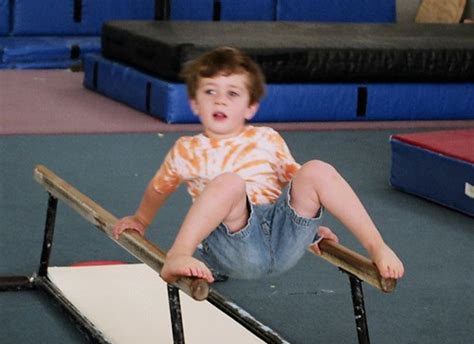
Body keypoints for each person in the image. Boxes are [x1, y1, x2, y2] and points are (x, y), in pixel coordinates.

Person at [113, 47, 404, 284]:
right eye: (210, 92)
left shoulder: (267, 138)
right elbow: (158, 189)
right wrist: (140, 219)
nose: (221, 101)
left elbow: (300, 182)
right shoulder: (187, 149)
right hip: (229, 243)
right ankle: (179, 253)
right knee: (229, 183)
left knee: (316, 169)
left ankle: (377, 245)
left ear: (250, 106)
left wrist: (308, 225)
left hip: (282, 238)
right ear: (194, 103)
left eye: (233, 94)